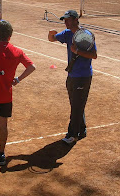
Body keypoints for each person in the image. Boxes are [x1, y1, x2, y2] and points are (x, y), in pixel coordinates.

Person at [0, 20, 36, 167]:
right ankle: (1, 155)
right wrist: (18, 79)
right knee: (3, 125)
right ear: (10, 35)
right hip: (6, 96)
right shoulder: (17, 51)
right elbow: (32, 66)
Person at [48, 10, 97, 145]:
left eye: (68, 20)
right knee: (76, 104)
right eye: (64, 20)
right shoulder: (67, 33)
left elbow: (94, 55)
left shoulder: (85, 35)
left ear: (75, 19)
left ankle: (72, 134)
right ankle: (81, 130)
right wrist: (51, 33)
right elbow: (52, 39)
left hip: (83, 76)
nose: (65, 22)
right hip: (72, 75)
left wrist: (77, 51)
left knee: (76, 105)